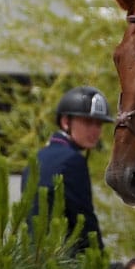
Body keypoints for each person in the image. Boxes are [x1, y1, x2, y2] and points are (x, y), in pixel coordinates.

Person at [25, 86, 114, 252]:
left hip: (32, 256)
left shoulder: (36, 158)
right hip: (65, 259)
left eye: (99, 124)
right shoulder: (73, 161)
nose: (95, 131)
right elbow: (84, 220)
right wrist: (100, 258)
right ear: (66, 122)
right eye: (88, 122)